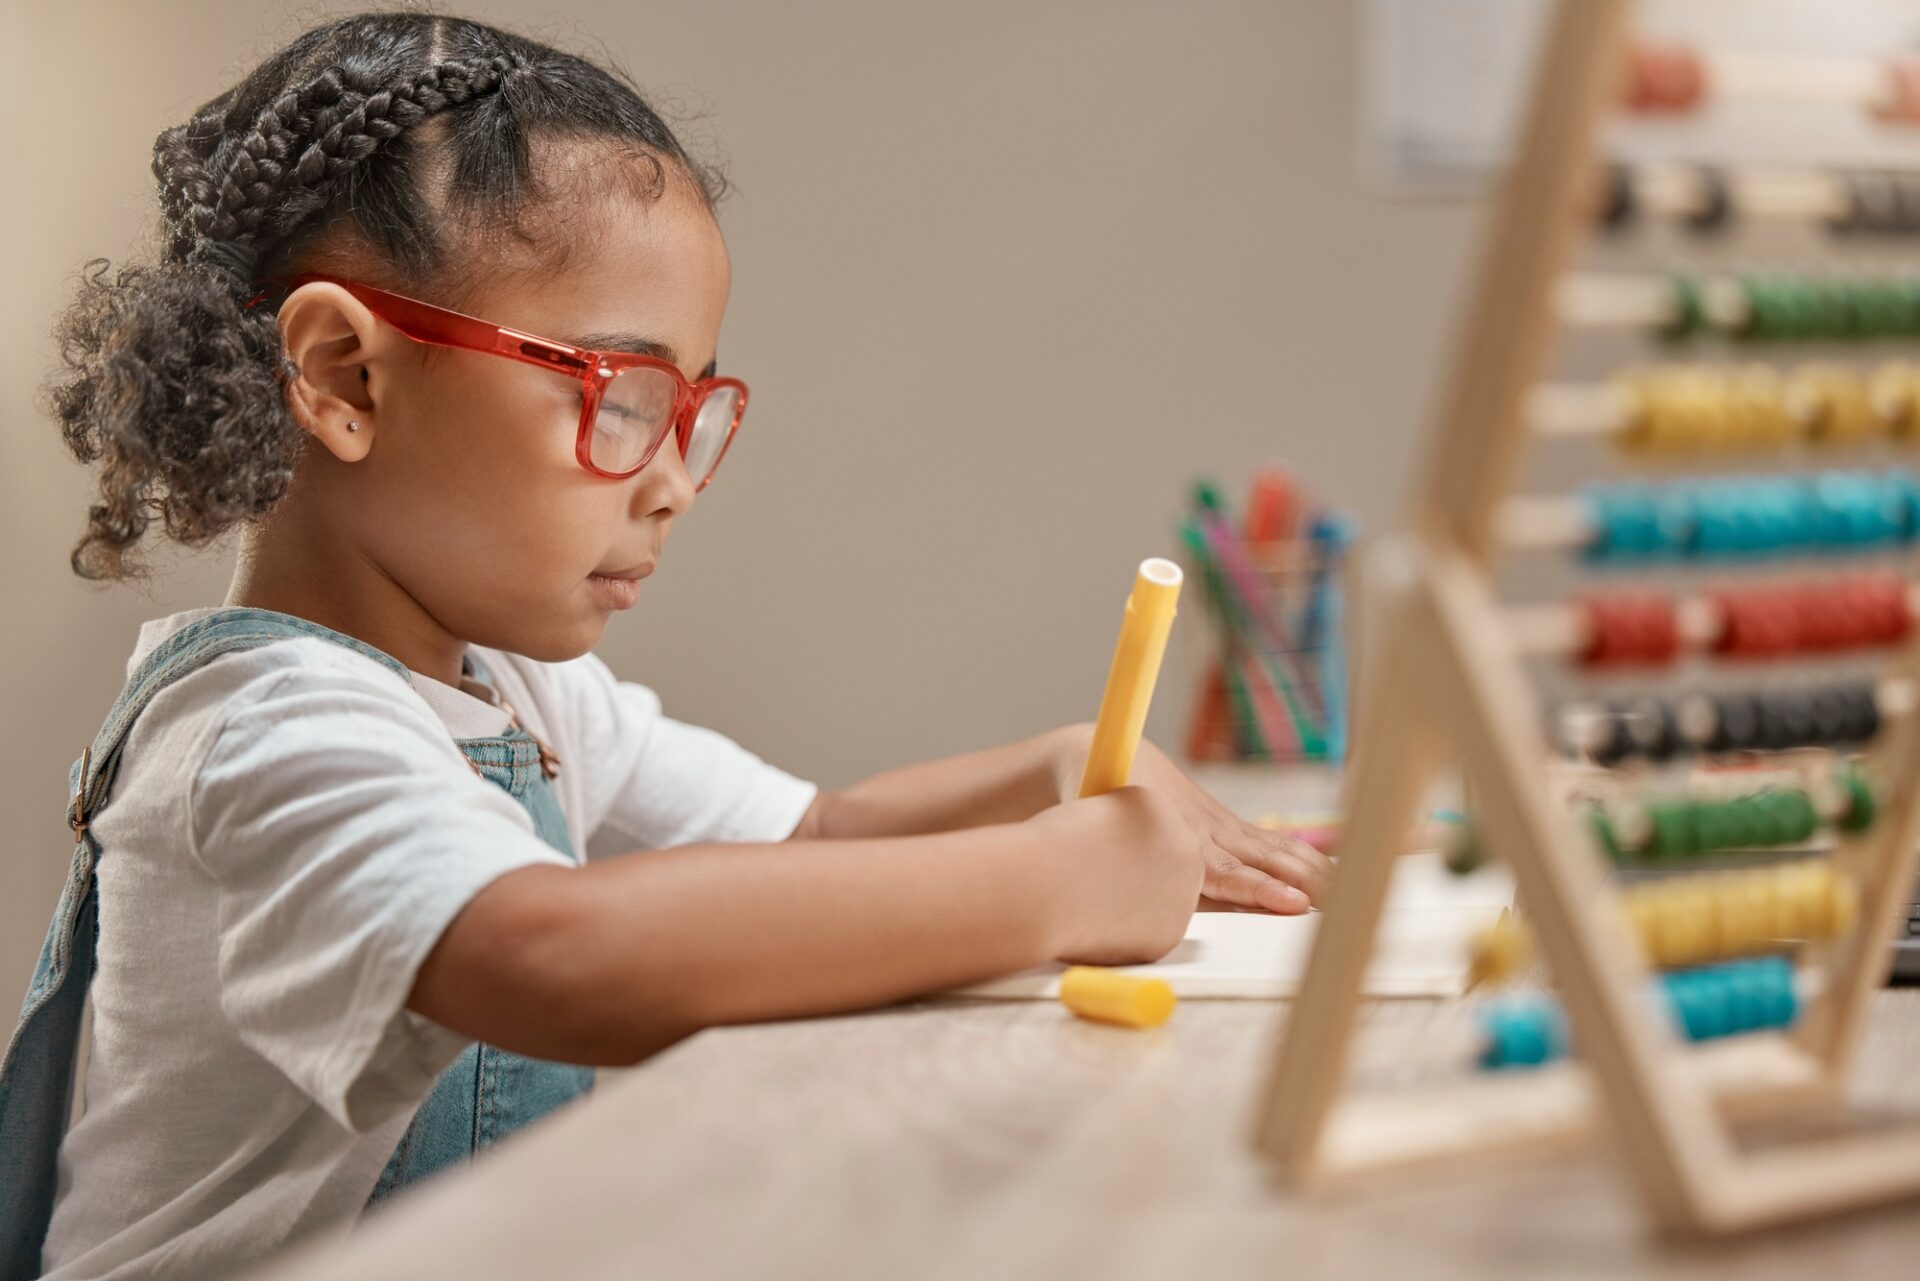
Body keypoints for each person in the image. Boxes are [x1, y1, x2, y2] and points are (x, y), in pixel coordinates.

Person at [0, 12, 1328, 1279]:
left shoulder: (513, 692)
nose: (674, 479)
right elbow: (561, 961)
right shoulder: (267, 740)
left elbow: (814, 840)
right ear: (345, 378)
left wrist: (1049, 773)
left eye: (691, 409)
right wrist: (1059, 883)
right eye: (621, 395)